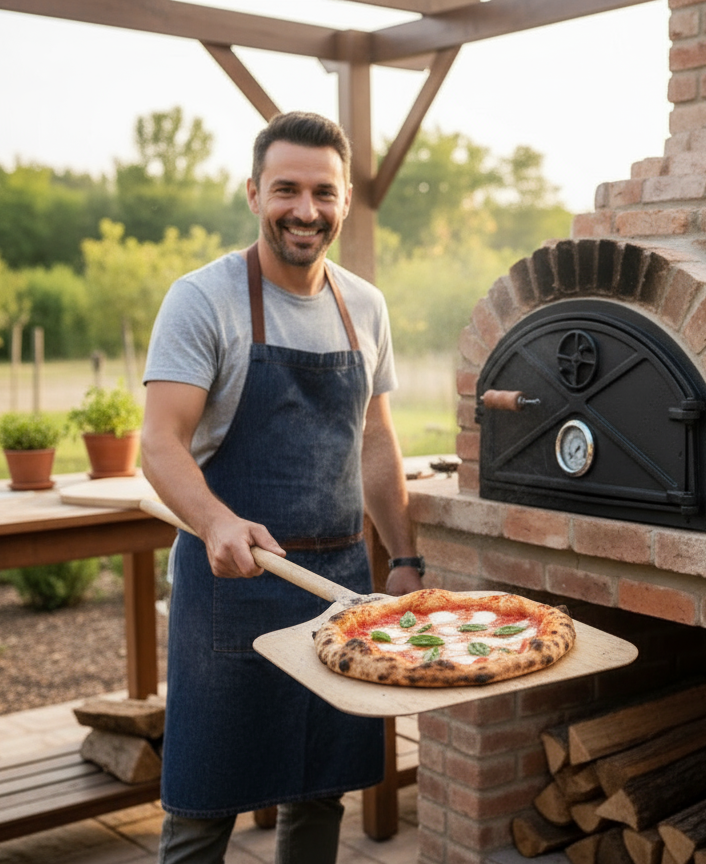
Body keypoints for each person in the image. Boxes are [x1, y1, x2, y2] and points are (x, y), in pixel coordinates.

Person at [140, 111, 425, 864]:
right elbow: (160, 442)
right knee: (203, 804)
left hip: (337, 588)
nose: (306, 210)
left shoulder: (365, 305)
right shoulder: (202, 299)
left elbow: (374, 438)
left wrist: (404, 558)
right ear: (253, 193)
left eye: (323, 192)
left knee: (318, 789)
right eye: (286, 189)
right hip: (230, 586)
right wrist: (215, 522)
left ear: (346, 199)